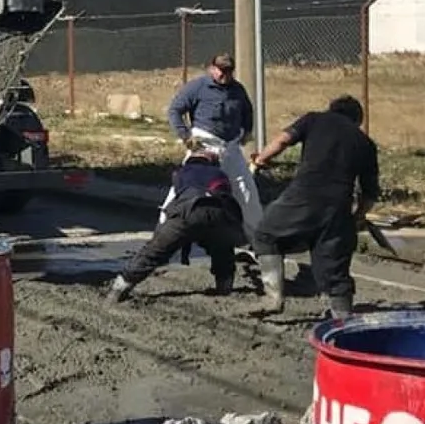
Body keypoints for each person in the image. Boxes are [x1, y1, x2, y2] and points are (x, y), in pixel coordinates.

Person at [249, 95, 380, 318]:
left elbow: (282, 140)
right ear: (357, 119)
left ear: (331, 110)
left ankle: (273, 298)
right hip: (338, 207)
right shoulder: (365, 143)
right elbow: (370, 194)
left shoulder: (314, 120)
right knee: (333, 266)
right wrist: (357, 217)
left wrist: (260, 160)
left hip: (303, 196)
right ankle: (343, 317)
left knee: (265, 235)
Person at [107, 149, 249, 302]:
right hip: (219, 213)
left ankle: (119, 289)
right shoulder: (221, 175)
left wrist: (160, 233)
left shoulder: (181, 173)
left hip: (187, 212)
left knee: (153, 252)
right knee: (222, 250)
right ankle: (225, 287)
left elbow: (170, 203)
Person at [164, 53, 263, 244]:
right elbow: (175, 110)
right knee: (186, 187)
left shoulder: (237, 90)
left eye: (228, 71)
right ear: (212, 68)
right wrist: (186, 136)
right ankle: (164, 233)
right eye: (220, 70)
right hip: (204, 144)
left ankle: (259, 240)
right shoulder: (198, 87)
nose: (223, 75)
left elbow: (247, 111)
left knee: (246, 190)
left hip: (230, 147)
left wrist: (247, 131)